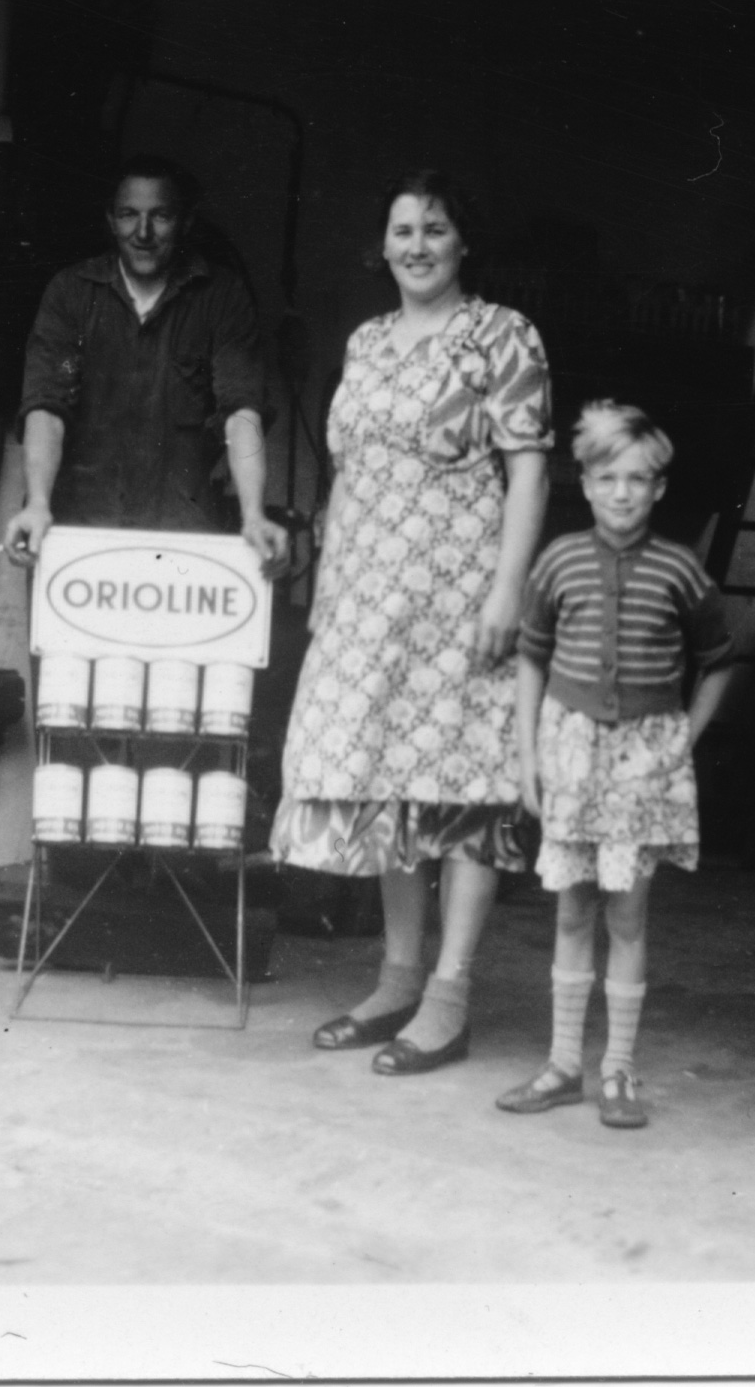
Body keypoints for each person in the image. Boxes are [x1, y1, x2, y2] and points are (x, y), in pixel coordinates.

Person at [272, 169, 552, 1075]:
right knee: (394, 785)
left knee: (465, 792)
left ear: (462, 243)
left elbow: (530, 471)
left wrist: (508, 592)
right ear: (382, 246)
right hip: (368, 599)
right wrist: (330, 595)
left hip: (460, 598)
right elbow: (350, 474)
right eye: (402, 230)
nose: (418, 245)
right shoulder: (367, 341)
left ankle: (450, 997)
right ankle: (398, 980)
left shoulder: (503, 335)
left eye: (436, 228)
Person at [495, 401, 735, 1129]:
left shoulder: (680, 570)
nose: (622, 492)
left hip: (643, 763)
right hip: (570, 752)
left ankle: (618, 1070)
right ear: (587, 482)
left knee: (628, 916)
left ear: (659, 488)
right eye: (608, 477)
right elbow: (531, 657)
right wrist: (530, 752)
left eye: (638, 479)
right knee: (572, 909)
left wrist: (679, 740)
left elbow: (721, 662)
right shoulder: (559, 560)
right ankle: (564, 1062)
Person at [2, 154, 289, 570]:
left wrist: (253, 514)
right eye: (128, 215)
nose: (143, 233)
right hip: (76, 531)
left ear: (186, 222)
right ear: (110, 220)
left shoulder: (222, 297)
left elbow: (241, 411)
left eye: (161, 216)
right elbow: (47, 405)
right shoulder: (70, 294)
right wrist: (38, 504)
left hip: (182, 536)